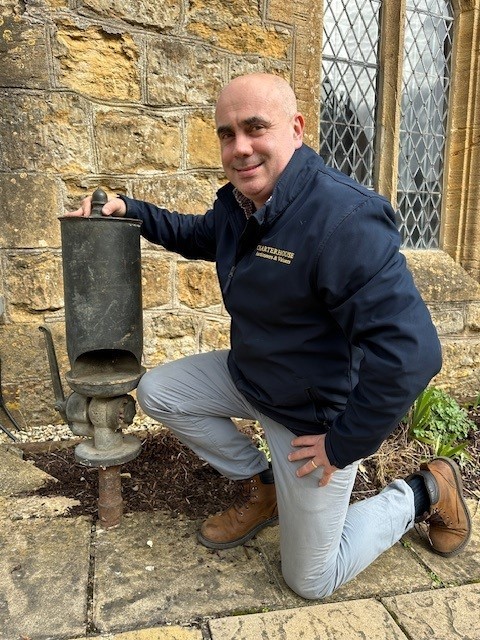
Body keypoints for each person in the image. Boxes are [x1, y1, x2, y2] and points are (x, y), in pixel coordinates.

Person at [68, 73, 471, 599]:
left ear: (296, 128)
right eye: (226, 133)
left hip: (310, 418)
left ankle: (425, 490)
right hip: (253, 377)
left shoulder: (343, 219)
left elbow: (413, 355)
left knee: (311, 580)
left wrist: (342, 444)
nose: (240, 147)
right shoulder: (240, 206)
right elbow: (197, 234)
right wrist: (132, 211)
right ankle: (265, 486)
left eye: (255, 128)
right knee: (160, 391)